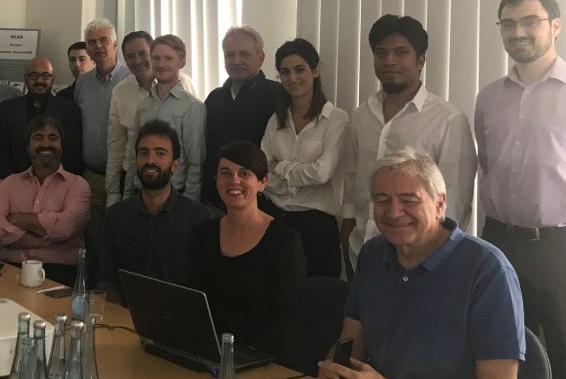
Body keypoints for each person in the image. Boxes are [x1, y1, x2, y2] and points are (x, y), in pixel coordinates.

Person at [317, 150, 525, 379]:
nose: (394, 212)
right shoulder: (373, 254)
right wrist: (335, 373)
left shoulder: (486, 268)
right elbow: (351, 345)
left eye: (409, 200)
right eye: (382, 200)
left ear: (440, 204)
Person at [476, 0, 566, 379]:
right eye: (508, 23)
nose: (517, 31)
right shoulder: (488, 98)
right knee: (501, 352)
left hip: (565, 247)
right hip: (501, 241)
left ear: (555, 26)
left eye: (529, 21)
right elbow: (486, 166)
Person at [340, 14, 476, 272]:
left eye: (401, 53)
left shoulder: (447, 119)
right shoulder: (362, 115)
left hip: (419, 257)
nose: (389, 61)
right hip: (362, 251)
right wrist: (347, 229)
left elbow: (455, 200)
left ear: (420, 60)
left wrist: (436, 258)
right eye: (381, 53)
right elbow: (352, 176)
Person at [187, 140, 305, 364]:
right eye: (225, 173)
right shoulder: (202, 234)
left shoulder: (284, 241)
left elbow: (285, 318)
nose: (234, 180)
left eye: (244, 173)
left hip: (261, 361)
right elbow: (191, 303)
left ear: (262, 182)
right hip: (206, 354)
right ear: (216, 180)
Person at [260, 38, 349, 278]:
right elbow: (262, 172)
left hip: (317, 226)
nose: (292, 78)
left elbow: (321, 173)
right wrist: (292, 174)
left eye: (300, 69)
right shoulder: (275, 120)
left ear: (315, 71)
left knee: (318, 293)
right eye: (285, 72)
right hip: (275, 218)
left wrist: (279, 167)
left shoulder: (336, 119)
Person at [98, 120, 210, 301]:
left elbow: (204, 285)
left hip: (179, 314)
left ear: (175, 164)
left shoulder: (199, 219)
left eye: (160, 153)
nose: (150, 160)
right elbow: (107, 278)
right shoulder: (116, 216)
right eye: (144, 153)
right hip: (125, 315)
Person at [0, 114, 90, 286]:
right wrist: (41, 239)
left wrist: (16, 219)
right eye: (38, 138)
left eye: (52, 138)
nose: (46, 144)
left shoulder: (78, 185)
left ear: (61, 145)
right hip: (10, 268)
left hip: (59, 273)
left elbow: (66, 227)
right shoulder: (9, 183)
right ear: (28, 146)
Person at [105, 31, 196, 205]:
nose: (137, 61)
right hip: (136, 184)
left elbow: (193, 151)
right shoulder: (120, 92)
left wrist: (191, 205)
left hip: (176, 189)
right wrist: (114, 193)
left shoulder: (183, 84)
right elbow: (116, 146)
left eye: (142, 54)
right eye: (130, 56)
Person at [203, 26, 281, 210]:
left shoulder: (278, 96)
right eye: (230, 55)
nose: (236, 61)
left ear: (261, 57)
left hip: (261, 200)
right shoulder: (214, 98)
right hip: (216, 199)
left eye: (244, 54)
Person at [125, 35, 205, 201]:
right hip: (141, 194)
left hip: (175, 196)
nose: (161, 64)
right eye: (156, 58)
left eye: (168, 58)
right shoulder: (144, 105)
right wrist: (127, 195)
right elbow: (134, 154)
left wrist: (189, 204)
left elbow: (196, 163)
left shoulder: (192, 107)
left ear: (182, 61)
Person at [0, 56, 83, 178]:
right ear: (25, 79)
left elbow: (72, 154)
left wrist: (56, 181)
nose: (39, 80)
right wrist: (14, 181)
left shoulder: (69, 110)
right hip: (16, 180)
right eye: (34, 75)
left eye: (45, 76)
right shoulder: (9, 108)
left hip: (57, 182)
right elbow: (0, 150)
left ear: (52, 79)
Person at [75, 19, 131, 216]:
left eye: (103, 40)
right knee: (95, 231)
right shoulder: (82, 83)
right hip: (91, 177)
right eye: (92, 42)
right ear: (88, 49)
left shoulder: (131, 79)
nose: (98, 45)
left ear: (115, 44)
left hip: (125, 178)